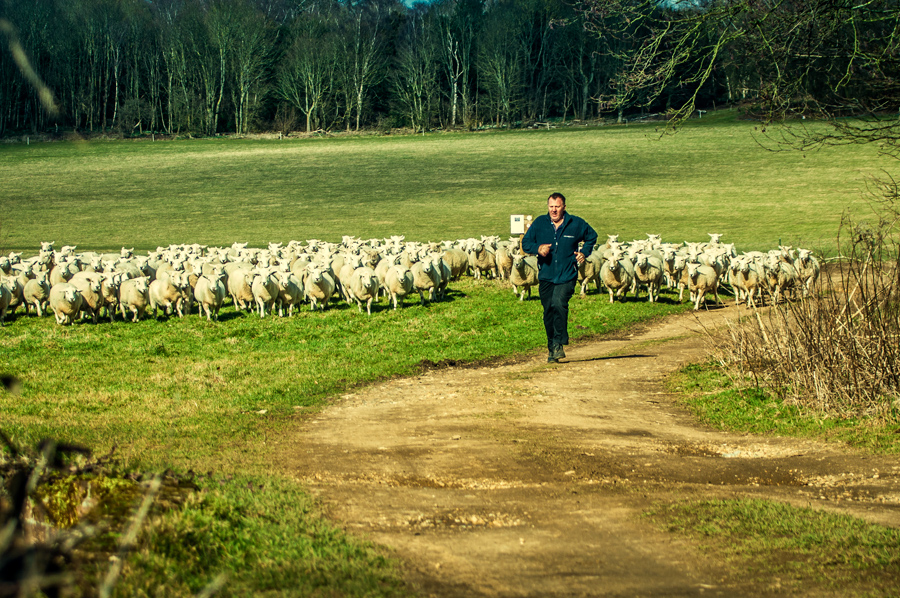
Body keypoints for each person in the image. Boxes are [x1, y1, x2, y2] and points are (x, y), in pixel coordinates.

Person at [521, 193, 598, 363]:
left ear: (564, 207)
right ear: (547, 207)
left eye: (557, 206)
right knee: (548, 310)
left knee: (558, 303)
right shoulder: (540, 223)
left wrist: (584, 252)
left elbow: (592, 236)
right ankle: (552, 349)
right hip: (546, 275)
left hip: (567, 274)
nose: (554, 210)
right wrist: (538, 248)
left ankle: (559, 342)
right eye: (551, 206)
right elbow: (526, 243)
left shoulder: (575, 223)